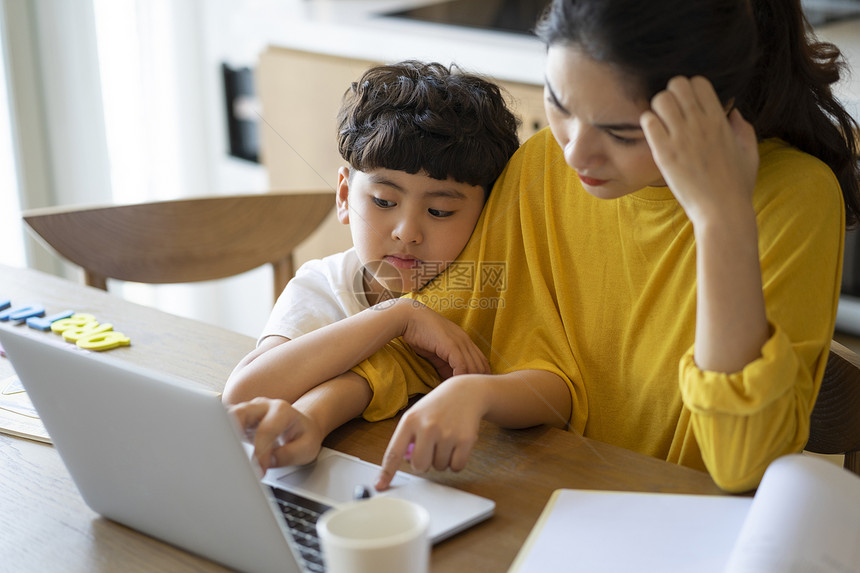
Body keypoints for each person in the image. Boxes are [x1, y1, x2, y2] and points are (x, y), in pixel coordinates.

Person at [231, 0, 859, 494]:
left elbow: (740, 464)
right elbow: (437, 345)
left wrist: (719, 216)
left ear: (713, 108)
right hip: (546, 493)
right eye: (561, 104)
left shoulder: (789, 200)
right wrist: (319, 411)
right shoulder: (545, 165)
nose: (577, 154)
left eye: (618, 131)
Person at [222, 61, 520, 435]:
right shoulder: (323, 287)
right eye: (383, 201)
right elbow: (243, 395)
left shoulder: (488, 292)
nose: (406, 232)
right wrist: (399, 315)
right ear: (345, 196)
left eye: (440, 211)